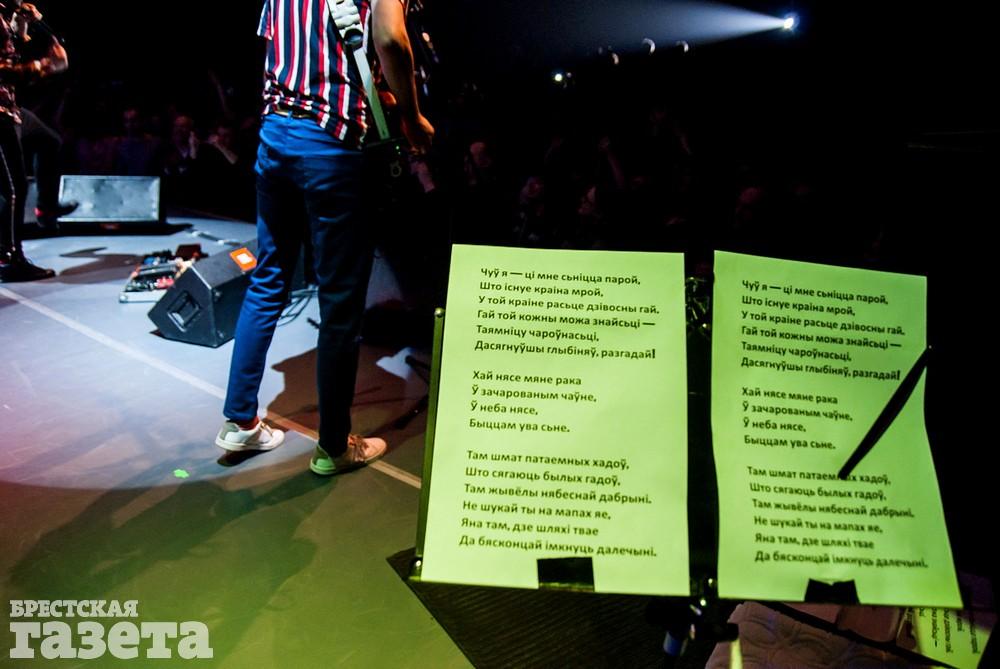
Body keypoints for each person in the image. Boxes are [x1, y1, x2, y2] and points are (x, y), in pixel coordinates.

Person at [215, 0, 433, 476]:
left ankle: (240, 422)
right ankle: (334, 446)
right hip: (330, 147)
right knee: (339, 304)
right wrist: (412, 116)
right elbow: (391, 39)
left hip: (276, 135)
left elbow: (279, 52)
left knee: (268, 280)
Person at [0, 0, 65, 281]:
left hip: (9, 107)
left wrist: (20, 28)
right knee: (11, 188)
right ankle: (8, 259)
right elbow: (4, 70)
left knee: (48, 141)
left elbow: (8, 54)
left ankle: (46, 211)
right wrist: (47, 65)